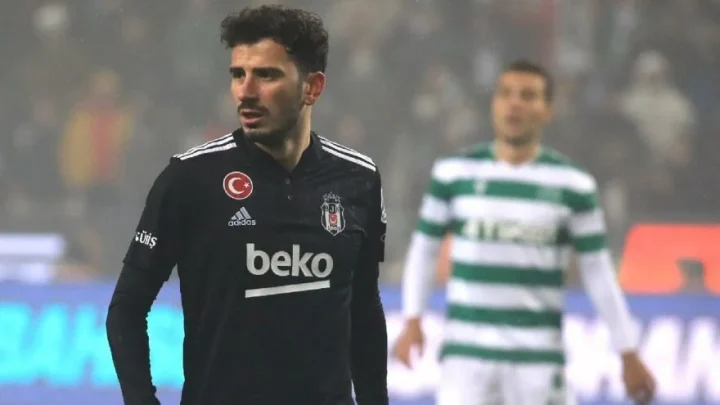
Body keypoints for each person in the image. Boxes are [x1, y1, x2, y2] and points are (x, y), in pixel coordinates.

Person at [106, 5, 388, 405]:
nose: (246, 91)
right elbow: (126, 310)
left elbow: (364, 310)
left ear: (312, 87)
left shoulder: (359, 179)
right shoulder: (190, 179)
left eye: (266, 75)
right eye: (238, 74)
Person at [392, 60, 655, 405]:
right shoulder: (453, 174)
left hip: (537, 364)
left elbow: (597, 271)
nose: (514, 104)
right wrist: (412, 319)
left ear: (548, 110)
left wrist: (628, 350)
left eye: (528, 96)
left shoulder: (573, 185)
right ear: (494, 104)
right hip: (466, 361)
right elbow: (424, 250)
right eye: (506, 94)